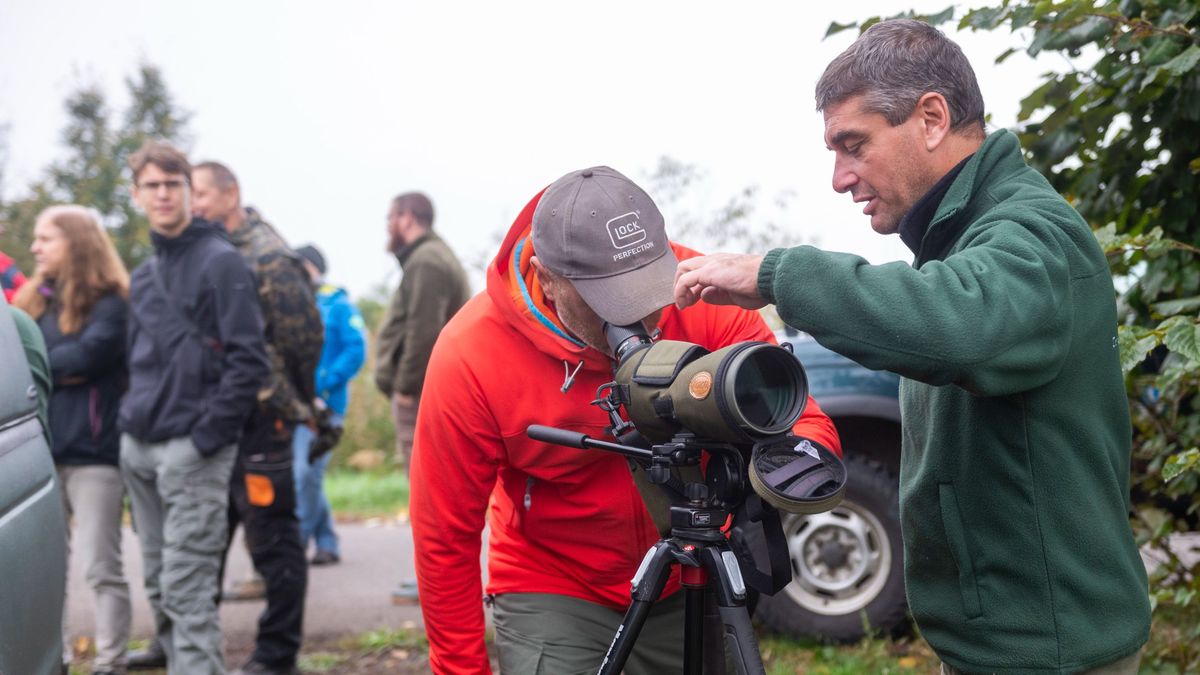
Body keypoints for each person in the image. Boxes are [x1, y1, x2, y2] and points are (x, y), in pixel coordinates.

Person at [672, 19, 1151, 675]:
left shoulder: (1033, 234)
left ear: (931, 118)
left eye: (853, 144)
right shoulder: (966, 242)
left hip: (1051, 651)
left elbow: (958, 322)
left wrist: (775, 275)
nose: (840, 177)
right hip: (1005, 646)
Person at [408, 165, 841, 674]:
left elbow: (798, 416)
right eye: (611, 298)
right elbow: (444, 532)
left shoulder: (702, 291)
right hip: (557, 583)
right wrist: (460, 669)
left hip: (692, 572)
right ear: (547, 278)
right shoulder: (473, 355)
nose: (644, 316)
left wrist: (791, 464)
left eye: (647, 285)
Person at [119, 140, 269, 675]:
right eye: (152, 186)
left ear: (189, 192)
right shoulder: (141, 274)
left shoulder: (221, 262)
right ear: (136, 195)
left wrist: (206, 438)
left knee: (186, 590)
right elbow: (132, 358)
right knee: (160, 583)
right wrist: (127, 428)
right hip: (139, 445)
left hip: (193, 450)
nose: (162, 195)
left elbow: (249, 361)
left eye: (172, 184)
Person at [190, 161, 322, 675]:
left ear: (231, 193)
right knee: (205, 537)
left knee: (272, 541)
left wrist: (291, 402)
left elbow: (304, 340)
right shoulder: (210, 252)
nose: (194, 203)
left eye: (201, 193)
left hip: (264, 419)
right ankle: (189, 640)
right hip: (215, 419)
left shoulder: (267, 256)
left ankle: (276, 653)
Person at [13, 205, 132, 675]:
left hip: (95, 454)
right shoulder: (31, 301)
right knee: (44, 571)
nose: (35, 247)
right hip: (40, 453)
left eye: (47, 239)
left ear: (77, 243)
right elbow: (32, 360)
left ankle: (110, 661)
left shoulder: (112, 302)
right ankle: (53, 659)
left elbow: (89, 354)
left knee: (102, 565)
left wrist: (46, 363)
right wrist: (61, 363)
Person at [373, 190, 469, 603]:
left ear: (407, 217)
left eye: (389, 217)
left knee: (429, 490)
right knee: (431, 488)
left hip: (422, 394)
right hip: (426, 390)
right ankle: (433, 578)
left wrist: (408, 388)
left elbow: (423, 331)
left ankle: (435, 583)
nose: (386, 226)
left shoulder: (427, 260)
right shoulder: (428, 257)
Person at [294, 243, 367, 565]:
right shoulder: (293, 302)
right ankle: (327, 543)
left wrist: (324, 383)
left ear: (314, 268)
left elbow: (356, 350)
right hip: (297, 406)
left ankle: (295, 545)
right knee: (309, 475)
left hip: (326, 407)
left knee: (304, 472)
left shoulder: (338, 305)